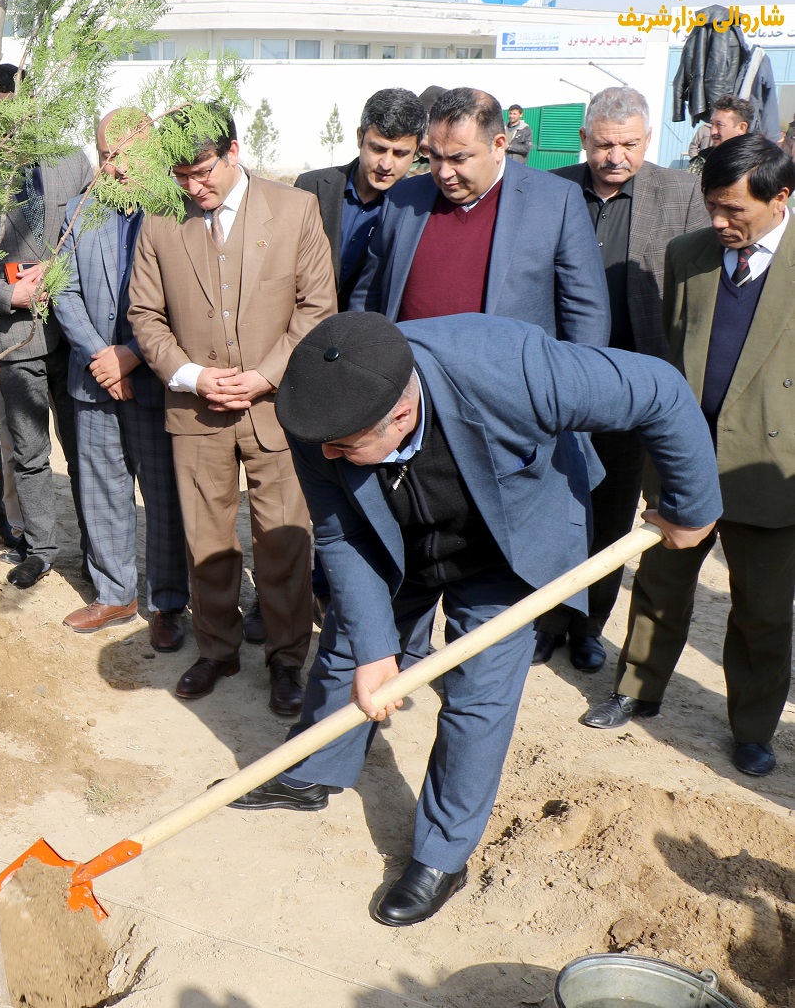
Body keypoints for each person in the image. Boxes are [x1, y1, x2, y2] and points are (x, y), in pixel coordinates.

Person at [232, 312, 719, 927]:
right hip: (395, 536)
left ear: (402, 415)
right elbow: (339, 532)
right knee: (353, 646)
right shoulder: (318, 415)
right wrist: (377, 650)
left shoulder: (512, 369)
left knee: (478, 692)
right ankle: (314, 769)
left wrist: (692, 507)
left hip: (507, 538)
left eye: (344, 449)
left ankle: (442, 854)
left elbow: (659, 389)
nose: (328, 456)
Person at [580, 134, 795, 778]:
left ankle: (754, 728)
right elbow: (678, 354)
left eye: (737, 211)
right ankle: (637, 689)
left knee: (760, 609)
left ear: (781, 198)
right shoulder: (689, 256)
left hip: (771, 469)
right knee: (660, 584)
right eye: (713, 208)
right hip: (686, 458)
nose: (721, 223)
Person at [127, 102, 337, 713]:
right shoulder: (160, 220)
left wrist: (264, 377)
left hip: (278, 412)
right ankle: (216, 649)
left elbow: (316, 307)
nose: (194, 187)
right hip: (195, 414)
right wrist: (191, 376)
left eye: (203, 172)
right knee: (208, 540)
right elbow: (145, 314)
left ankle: (287, 658)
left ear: (234, 151)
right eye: (181, 176)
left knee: (284, 542)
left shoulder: (295, 209)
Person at [531, 87, 709, 671]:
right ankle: (544, 618)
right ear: (584, 140)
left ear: (648, 139)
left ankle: (587, 624)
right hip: (554, 376)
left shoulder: (681, 194)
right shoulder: (548, 187)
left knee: (610, 512)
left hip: (633, 385)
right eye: (604, 144)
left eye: (629, 144)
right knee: (550, 503)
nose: (616, 157)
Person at [0, 72, 94, 589]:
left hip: (75, 336)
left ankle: (98, 554)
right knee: (29, 452)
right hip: (13, 337)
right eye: (1, 107)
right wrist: (11, 293)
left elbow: (91, 237)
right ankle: (40, 548)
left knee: (85, 453)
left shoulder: (71, 161)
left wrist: (57, 275)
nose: (14, 115)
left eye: (20, 104)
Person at [53, 110, 189, 647]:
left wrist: (131, 356)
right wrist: (99, 355)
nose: (122, 165)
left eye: (135, 152)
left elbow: (186, 300)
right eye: (112, 154)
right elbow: (61, 290)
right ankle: (114, 593)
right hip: (92, 380)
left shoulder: (178, 213)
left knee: (162, 494)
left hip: (155, 378)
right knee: (102, 489)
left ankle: (168, 602)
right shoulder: (78, 210)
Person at [346, 87, 608, 349]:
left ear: (498, 146)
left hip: (508, 384)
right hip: (411, 379)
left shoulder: (555, 201)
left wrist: (575, 383)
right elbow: (369, 295)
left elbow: (585, 312)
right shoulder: (402, 198)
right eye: (435, 156)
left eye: (459, 158)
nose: (445, 172)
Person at [295, 88, 427, 315]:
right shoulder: (311, 187)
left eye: (400, 154)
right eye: (378, 149)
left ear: (416, 152)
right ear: (359, 137)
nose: (386, 164)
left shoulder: (418, 210)